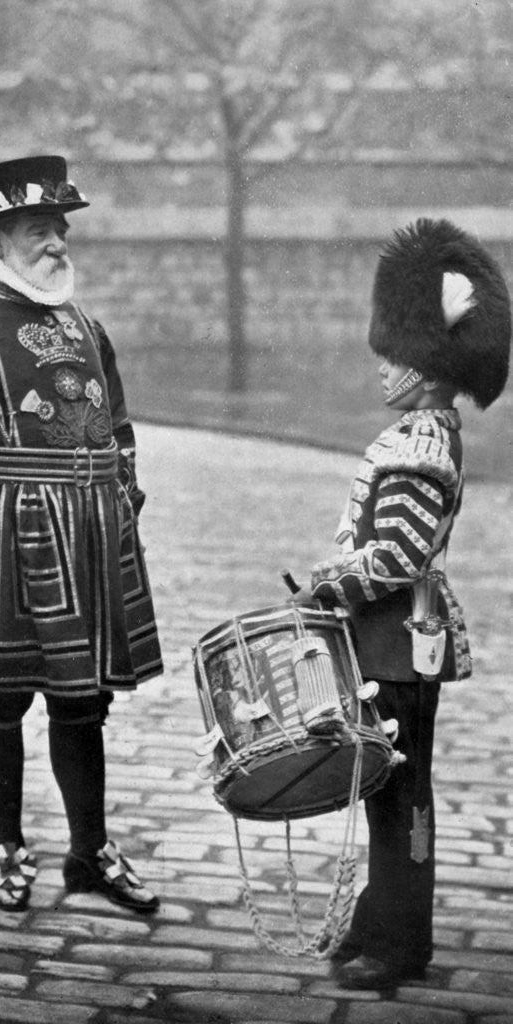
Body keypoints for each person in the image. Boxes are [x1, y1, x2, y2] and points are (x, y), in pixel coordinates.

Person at [0, 155, 163, 913]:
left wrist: (121, 503)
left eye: (62, 231)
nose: (59, 246)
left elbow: (118, 427)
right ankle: (9, 844)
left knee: (84, 702)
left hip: (86, 541)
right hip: (2, 541)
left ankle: (90, 852)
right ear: (0, 237)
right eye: (42, 232)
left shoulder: (85, 327)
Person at [291, 218, 510, 991]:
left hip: (401, 635)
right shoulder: (419, 431)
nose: (381, 368)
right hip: (383, 636)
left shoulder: (420, 444)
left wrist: (329, 584)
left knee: (401, 792)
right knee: (384, 785)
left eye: (393, 355)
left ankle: (401, 943)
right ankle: (380, 919)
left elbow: (396, 557)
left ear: (423, 364)